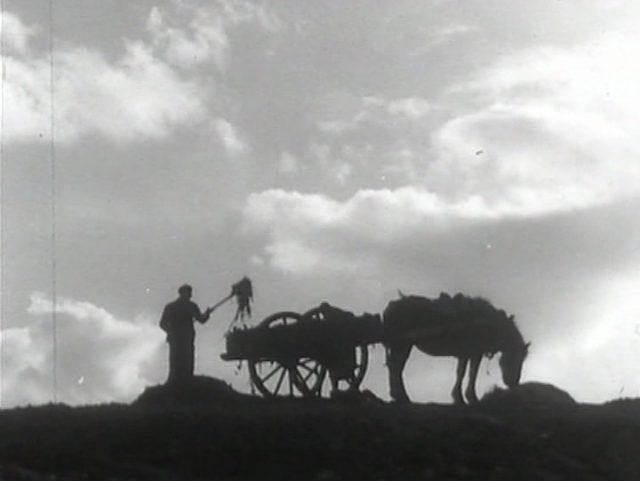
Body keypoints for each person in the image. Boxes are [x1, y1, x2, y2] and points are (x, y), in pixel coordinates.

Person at [160, 284, 213, 385]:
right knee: (184, 359)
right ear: (183, 293)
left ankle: (178, 380)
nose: (190, 295)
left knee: (178, 359)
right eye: (189, 293)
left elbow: (162, 323)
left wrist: (170, 331)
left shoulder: (171, 307)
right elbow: (201, 319)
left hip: (179, 338)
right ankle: (182, 381)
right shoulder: (190, 306)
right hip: (183, 338)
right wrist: (207, 314)